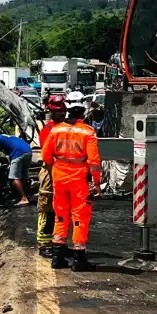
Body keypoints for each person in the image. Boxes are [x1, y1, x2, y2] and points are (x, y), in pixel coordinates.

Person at [41, 95, 101, 271]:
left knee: (60, 216)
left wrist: (56, 173)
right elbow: (94, 162)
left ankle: (57, 258)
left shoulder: (55, 130)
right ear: (83, 111)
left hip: (59, 179)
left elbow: (45, 157)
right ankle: (79, 260)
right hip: (79, 181)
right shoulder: (88, 132)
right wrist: (96, 184)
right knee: (79, 218)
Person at [36, 94, 67, 256]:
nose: (62, 114)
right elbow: (49, 156)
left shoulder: (66, 129)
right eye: (59, 111)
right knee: (46, 206)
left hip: (64, 173)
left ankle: (58, 242)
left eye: (63, 111)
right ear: (51, 112)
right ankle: (43, 244)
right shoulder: (47, 130)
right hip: (50, 171)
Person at [0, 127, 33, 206]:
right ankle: (26, 195)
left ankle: (24, 198)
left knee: (14, 178)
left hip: (18, 153)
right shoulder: (10, 136)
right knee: (23, 177)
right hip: (28, 151)